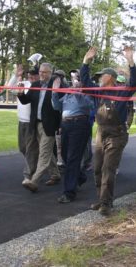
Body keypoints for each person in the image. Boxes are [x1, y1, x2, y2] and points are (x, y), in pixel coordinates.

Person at [80, 46, 136, 216]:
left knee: (108, 169)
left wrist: (130, 60)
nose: (98, 79)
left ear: (110, 77)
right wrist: (86, 61)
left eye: (101, 76)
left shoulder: (121, 91)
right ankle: (101, 198)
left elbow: (134, 81)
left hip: (117, 135)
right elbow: (85, 82)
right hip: (101, 133)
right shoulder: (98, 92)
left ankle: (106, 203)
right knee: (97, 168)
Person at [18, 63, 61, 192]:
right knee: (47, 152)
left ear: (51, 73)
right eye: (41, 72)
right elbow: (26, 100)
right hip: (36, 124)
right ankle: (55, 175)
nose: (41, 74)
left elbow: (59, 107)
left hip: (49, 126)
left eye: (45, 72)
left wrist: (59, 126)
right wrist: (20, 94)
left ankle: (34, 180)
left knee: (44, 153)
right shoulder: (35, 85)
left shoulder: (56, 85)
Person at [52, 69, 94, 203]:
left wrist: (77, 93)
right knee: (64, 156)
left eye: (77, 79)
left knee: (72, 159)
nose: (74, 81)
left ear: (82, 81)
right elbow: (57, 107)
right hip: (66, 125)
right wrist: (54, 92)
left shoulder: (87, 93)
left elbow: (88, 106)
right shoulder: (67, 94)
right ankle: (80, 177)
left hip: (80, 125)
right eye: (73, 79)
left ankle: (69, 192)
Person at [8, 64, 39, 184]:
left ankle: (28, 175)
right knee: (23, 148)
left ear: (37, 75)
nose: (30, 76)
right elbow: (10, 88)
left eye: (33, 75)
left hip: (32, 122)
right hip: (22, 121)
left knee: (30, 149)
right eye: (29, 74)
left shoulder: (39, 86)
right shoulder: (24, 84)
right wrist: (15, 76)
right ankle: (53, 171)